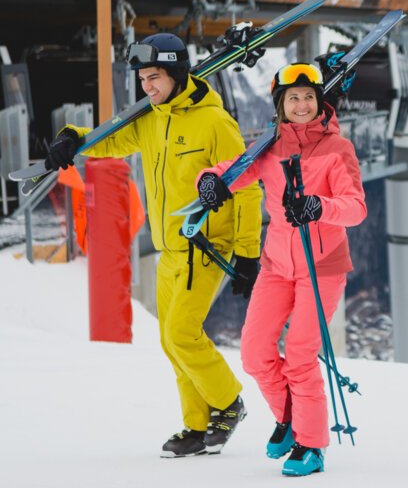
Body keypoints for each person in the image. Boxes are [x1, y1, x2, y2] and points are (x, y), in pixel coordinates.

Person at [44, 33, 263, 457]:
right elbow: (112, 141)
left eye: (155, 77)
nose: (148, 87)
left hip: (204, 245)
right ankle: (196, 427)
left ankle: (228, 402)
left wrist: (248, 252)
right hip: (168, 250)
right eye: (143, 79)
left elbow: (248, 189)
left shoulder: (215, 123)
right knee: (170, 339)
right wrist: (75, 138)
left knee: (182, 333)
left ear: (178, 73)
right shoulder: (152, 118)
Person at [194, 62, 366, 477]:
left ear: (320, 101)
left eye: (309, 97)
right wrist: (210, 181)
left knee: (301, 357)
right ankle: (291, 419)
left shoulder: (337, 150)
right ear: (280, 105)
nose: (302, 105)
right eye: (294, 98)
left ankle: (312, 445)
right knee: (254, 354)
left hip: (321, 265)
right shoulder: (270, 147)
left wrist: (319, 206)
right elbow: (233, 170)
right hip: (277, 264)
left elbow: (356, 207)